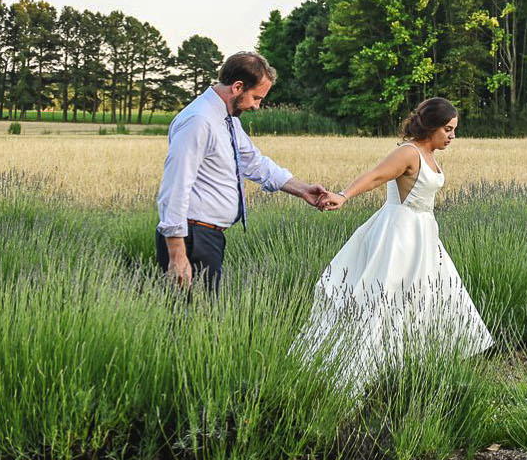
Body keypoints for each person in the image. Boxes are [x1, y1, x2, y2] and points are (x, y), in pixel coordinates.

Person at [297, 96, 493, 390]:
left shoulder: (430, 155)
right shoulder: (409, 152)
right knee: (388, 296)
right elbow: (376, 176)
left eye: (454, 130)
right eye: (448, 130)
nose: (453, 136)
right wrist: (344, 195)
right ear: (431, 126)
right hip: (399, 233)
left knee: (429, 295)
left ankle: (416, 365)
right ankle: (362, 372)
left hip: (424, 233)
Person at [156, 50, 330, 290]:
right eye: (256, 98)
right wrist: (176, 252)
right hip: (191, 238)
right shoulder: (199, 120)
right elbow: (175, 185)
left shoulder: (228, 121)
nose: (257, 107)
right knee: (191, 319)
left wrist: (303, 190)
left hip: (206, 237)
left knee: (202, 317)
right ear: (237, 87)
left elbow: (254, 162)